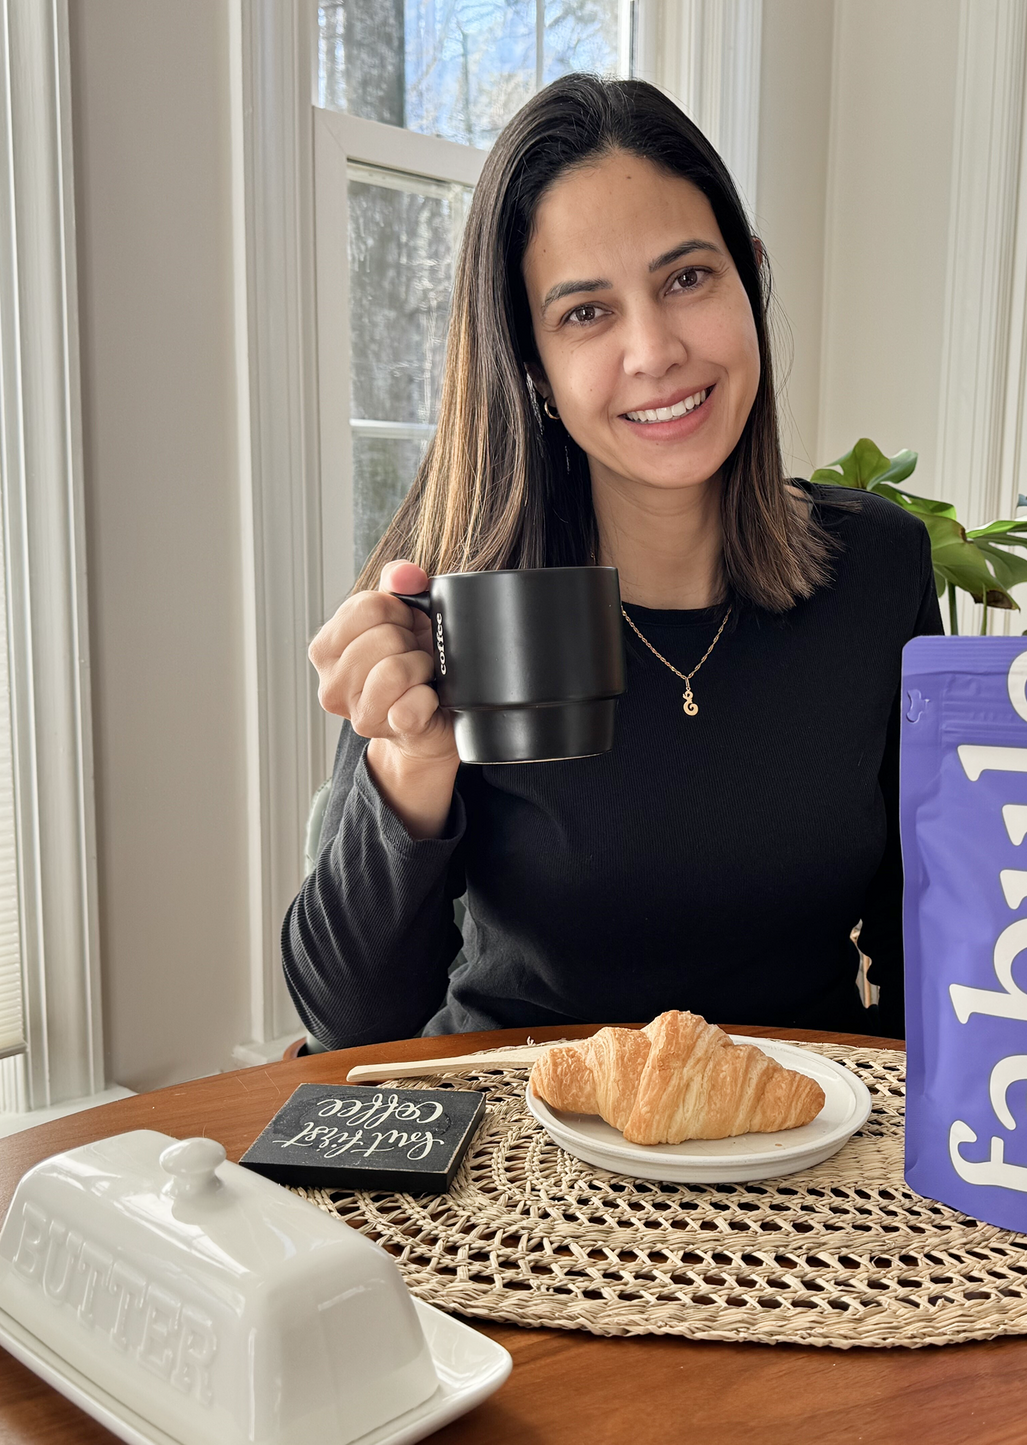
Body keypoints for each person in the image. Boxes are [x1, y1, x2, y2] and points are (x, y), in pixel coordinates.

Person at [283, 74, 941, 1050]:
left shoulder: (879, 569)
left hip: (805, 1124)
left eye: (686, 279)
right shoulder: (466, 596)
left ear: (750, 280)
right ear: (534, 367)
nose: (653, 349)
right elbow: (351, 1022)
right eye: (585, 313)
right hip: (519, 1120)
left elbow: (924, 940)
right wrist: (409, 762)